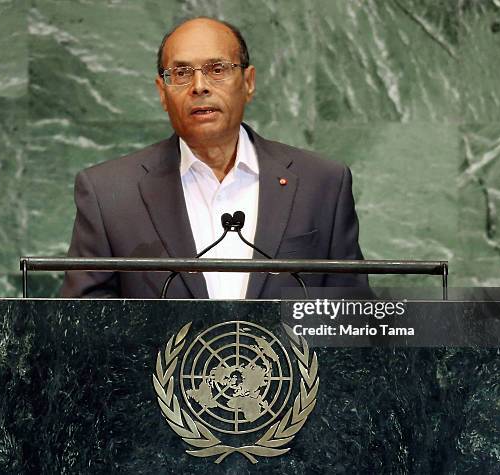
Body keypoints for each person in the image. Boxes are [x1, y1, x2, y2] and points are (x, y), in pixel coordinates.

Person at [60, 17, 367, 299]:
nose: (199, 86)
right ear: (162, 93)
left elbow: (352, 318)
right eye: (180, 73)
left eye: (217, 69)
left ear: (248, 83)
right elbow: (82, 324)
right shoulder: (109, 194)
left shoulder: (322, 183)